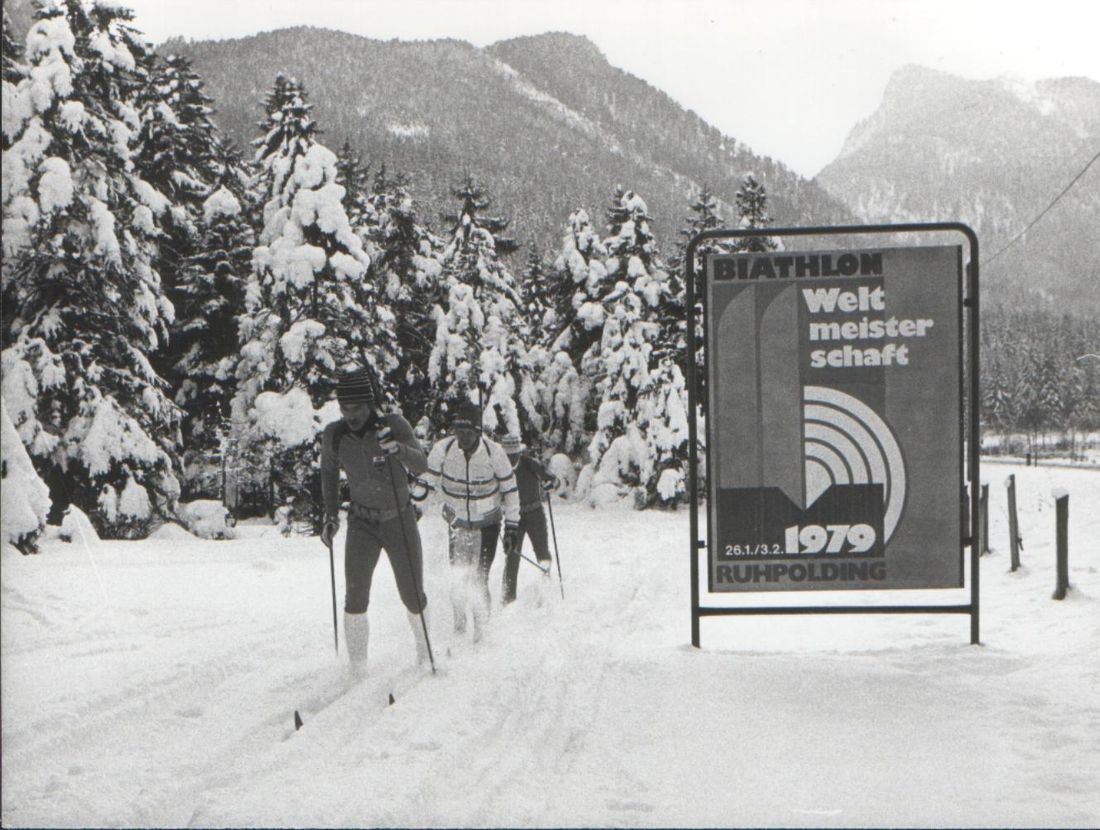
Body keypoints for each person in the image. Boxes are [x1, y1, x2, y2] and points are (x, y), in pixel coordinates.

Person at [319, 366, 431, 676]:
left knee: (411, 593)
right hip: (361, 522)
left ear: (369, 404)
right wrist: (330, 516)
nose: (350, 414)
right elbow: (328, 474)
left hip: (399, 518)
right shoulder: (335, 434)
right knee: (355, 597)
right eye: (344, 408)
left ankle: (426, 652)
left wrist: (398, 448)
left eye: (356, 408)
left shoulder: (393, 424)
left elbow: (421, 464)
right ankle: (357, 669)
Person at [424, 401, 520, 642]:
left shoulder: (494, 452)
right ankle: (459, 626)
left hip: (487, 523)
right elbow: (427, 481)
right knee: (457, 576)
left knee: (479, 577)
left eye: (469, 433)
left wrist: (512, 527)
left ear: (478, 432)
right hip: (457, 523)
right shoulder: (443, 450)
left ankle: (481, 628)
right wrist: (415, 504)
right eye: (459, 432)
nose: (463, 438)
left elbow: (510, 491)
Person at [497, 434, 558, 604]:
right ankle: (508, 597)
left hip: (534, 513)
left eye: (513, 454)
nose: (510, 458)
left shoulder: (529, 463)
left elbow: (554, 480)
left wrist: (550, 485)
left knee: (542, 551)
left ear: (519, 452)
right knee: (512, 555)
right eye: (507, 454)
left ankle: (546, 588)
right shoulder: (499, 468)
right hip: (513, 517)